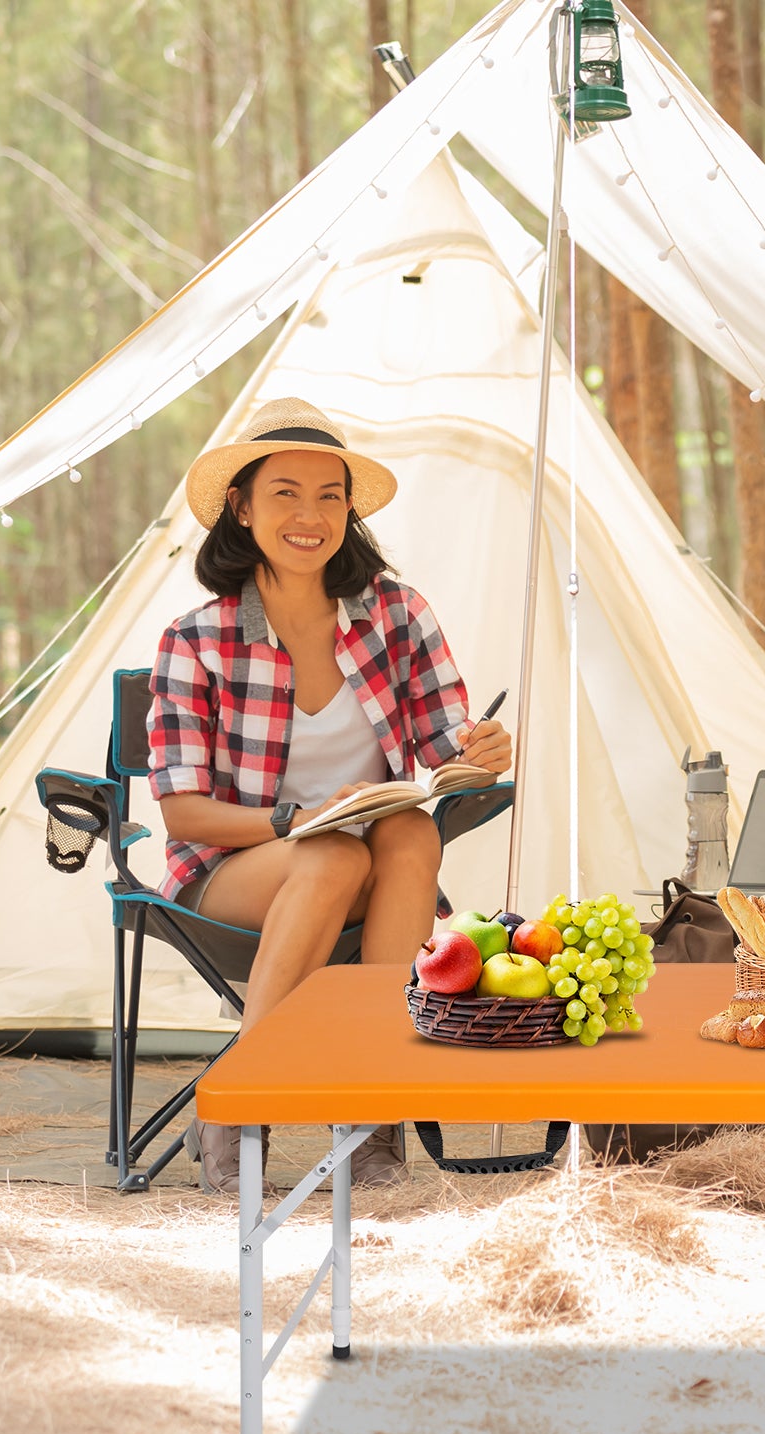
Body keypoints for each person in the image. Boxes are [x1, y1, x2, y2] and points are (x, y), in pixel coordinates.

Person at [146, 398, 511, 1193]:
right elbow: (182, 813)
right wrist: (296, 821)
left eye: (329, 495)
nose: (309, 515)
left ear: (349, 510)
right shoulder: (195, 639)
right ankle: (240, 1106)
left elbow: (448, 747)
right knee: (329, 855)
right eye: (284, 492)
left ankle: (372, 1113)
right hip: (233, 863)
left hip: (373, 860)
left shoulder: (398, 614)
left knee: (411, 832)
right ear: (241, 508)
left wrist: (481, 754)